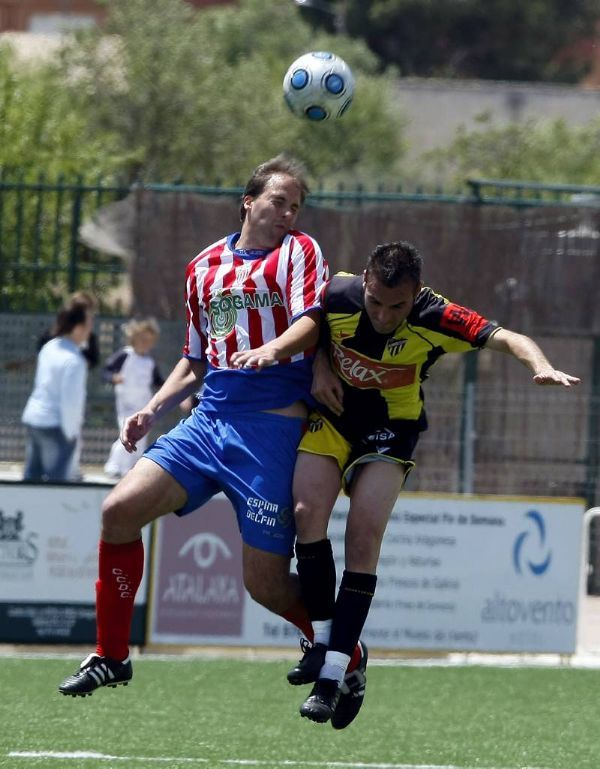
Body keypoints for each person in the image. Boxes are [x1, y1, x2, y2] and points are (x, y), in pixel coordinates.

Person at [58, 153, 338, 697]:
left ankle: (339, 648)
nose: (288, 214)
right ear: (248, 202)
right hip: (206, 423)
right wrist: (153, 409)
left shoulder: (299, 251)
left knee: (264, 586)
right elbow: (196, 357)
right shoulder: (203, 267)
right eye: (279, 202)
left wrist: (272, 350)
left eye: (296, 206)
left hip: (270, 431)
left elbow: (314, 319)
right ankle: (111, 655)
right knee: (118, 511)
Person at [291, 240, 580, 727]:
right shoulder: (336, 294)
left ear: (417, 293)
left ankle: (333, 675)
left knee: (362, 538)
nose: (383, 315)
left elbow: (507, 336)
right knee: (305, 515)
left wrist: (541, 366)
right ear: (363, 281)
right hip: (335, 421)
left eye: (396, 306)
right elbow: (305, 327)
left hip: (391, 432)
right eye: (376, 302)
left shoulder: (437, 315)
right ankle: (325, 644)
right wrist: (320, 361)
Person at [21, 296, 94, 482]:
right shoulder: (75, 361)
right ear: (78, 328)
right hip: (56, 426)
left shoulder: (49, 347)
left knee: (31, 479)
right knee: (56, 484)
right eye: (89, 323)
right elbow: (71, 402)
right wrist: (71, 436)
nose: (90, 329)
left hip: (34, 419)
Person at [103, 317, 164, 480]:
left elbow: (160, 382)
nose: (145, 343)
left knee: (141, 437)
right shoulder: (125, 355)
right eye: (142, 339)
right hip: (126, 404)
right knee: (125, 433)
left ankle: (132, 468)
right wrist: (113, 377)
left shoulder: (150, 362)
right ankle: (114, 466)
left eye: (149, 341)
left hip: (143, 404)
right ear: (133, 337)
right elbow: (106, 371)